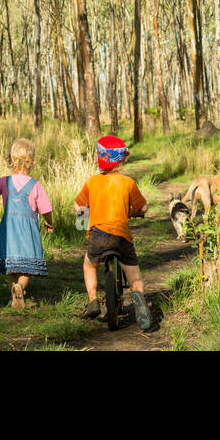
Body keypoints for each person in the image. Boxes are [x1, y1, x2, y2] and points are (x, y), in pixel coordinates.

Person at [74, 134, 152, 331]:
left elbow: (78, 206)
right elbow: (143, 208)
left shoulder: (92, 182)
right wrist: (134, 213)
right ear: (122, 160)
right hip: (121, 237)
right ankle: (139, 301)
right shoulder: (128, 183)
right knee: (135, 278)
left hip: (97, 236)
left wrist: (84, 216)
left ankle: (93, 300)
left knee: (89, 265)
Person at [0, 136, 53, 306]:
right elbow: (46, 209)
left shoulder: (4, 182)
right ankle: (20, 286)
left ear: (11, 160)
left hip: (9, 230)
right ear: (33, 162)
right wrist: (49, 223)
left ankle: (14, 290)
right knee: (27, 264)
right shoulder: (36, 185)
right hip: (27, 231)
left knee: (10, 263)